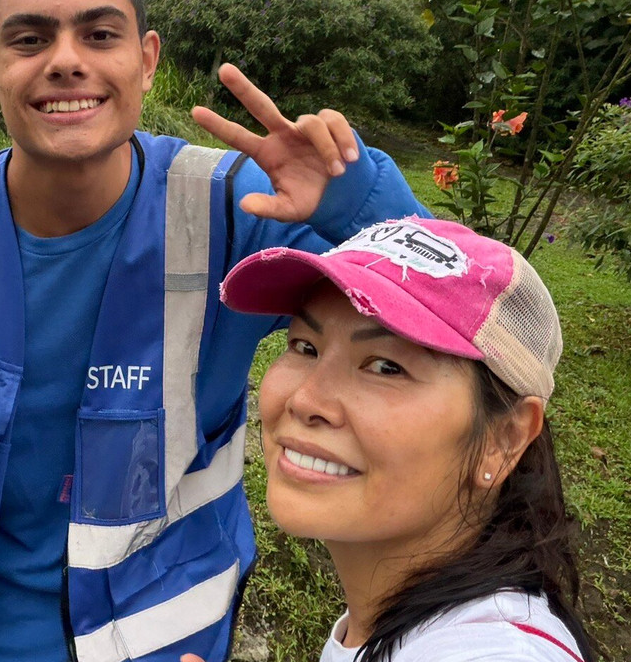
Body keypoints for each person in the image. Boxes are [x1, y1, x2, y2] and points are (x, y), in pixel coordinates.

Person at [0, 0, 429, 662]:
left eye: (99, 35)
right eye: (29, 40)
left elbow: (441, 315)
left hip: (174, 642)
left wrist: (352, 201)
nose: (66, 62)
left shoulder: (239, 209)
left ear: (147, 59)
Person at [208, 216, 596, 662]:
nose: (305, 398)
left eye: (386, 366)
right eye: (304, 346)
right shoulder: (399, 622)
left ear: (504, 438)